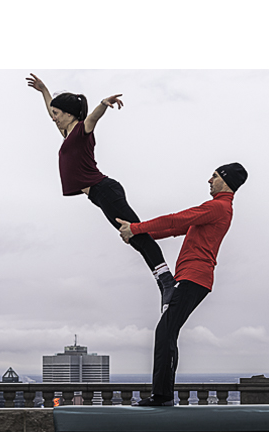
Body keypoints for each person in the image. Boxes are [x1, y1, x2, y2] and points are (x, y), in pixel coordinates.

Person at [25, 74, 174, 308]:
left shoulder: (82, 130)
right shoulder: (67, 135)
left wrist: (103, 104)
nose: (53, 118)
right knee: (133, 238)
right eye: (52, 114)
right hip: (100, 195)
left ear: (69, 113)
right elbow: (51, 110)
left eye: (56, 114)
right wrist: (44, 90)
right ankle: (163, 282)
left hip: (105, 190)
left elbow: (93, 118)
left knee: (137, 233)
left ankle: (167, 281)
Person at [115, 164, 245, 406]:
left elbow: (176, 218)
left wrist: (136, 228)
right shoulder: (219, 209)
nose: (209, 180)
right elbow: (177, 228)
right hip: (192, 277)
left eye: (215, 176)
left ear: (226, 182)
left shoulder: (218, 207)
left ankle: (162, 396)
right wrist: (141, 237)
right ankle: (162, 394)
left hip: (194, 277)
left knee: (165, 331)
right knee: (167, 331)